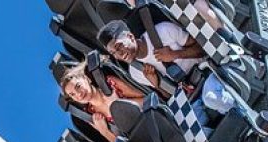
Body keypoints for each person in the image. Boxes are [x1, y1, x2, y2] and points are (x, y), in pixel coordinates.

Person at [97, 16, 236, 117]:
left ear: (130, 37)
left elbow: (203, 48)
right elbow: (170, 95)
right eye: (113, 53)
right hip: (190, 94)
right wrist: (156, 84)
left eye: (119, 46)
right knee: (190, 132)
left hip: (207, 72)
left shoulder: (162, 31)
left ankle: (250, 121)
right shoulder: (136, 71)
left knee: (211, 98)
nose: (119, 54)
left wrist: (176, 54)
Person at [60, 62, 144, 142]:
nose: (78, 94)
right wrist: (104, 131)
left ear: (87, 79)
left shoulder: (110, 84)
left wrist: (122, 106)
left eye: (78, 86)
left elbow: (145, 98)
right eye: (72, 94)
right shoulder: (91, 116)